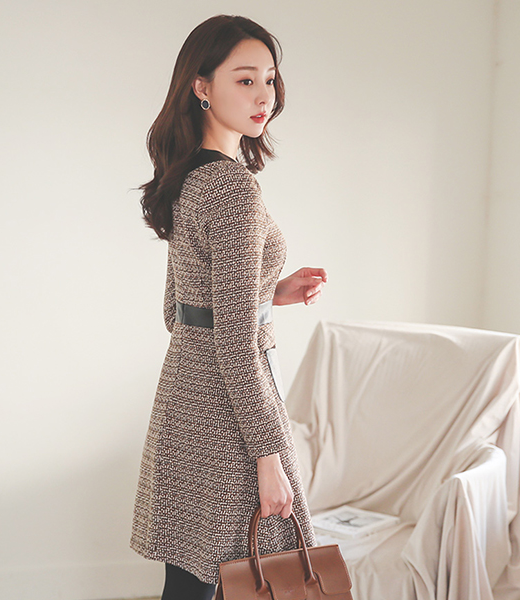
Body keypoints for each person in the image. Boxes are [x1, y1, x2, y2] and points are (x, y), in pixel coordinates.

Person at [130, 14, 328, 600]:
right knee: (250, 577)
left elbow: (179, 311)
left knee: (194, 583)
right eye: (245, 80)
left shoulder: (190, 175)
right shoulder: (233, 189)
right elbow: (236, 342)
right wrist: (268, 457)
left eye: (269, 79)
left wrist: (268, 291)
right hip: (228, 420)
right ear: (202, 86)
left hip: (186, 401)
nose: (264, 95)